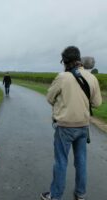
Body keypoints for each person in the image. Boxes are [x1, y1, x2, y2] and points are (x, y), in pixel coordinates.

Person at [40, 46, 102, 200]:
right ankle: (81, 194)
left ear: (65, 61)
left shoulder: (62, 77)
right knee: (81, 161)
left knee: (61, 162)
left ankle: (55, 195)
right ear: (79, 59)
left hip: (64, 128)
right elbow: (97, 103)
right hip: (83, 127)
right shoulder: (91, 77)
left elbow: (49, 98)